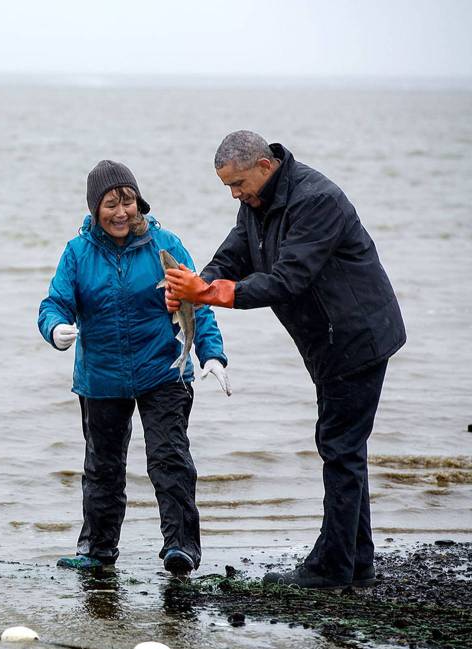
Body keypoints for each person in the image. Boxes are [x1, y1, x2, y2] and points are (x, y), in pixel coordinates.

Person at [164, 131, 405, 590]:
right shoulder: (257, 202)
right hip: (328, 340)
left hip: (357, 336)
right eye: (228, 188)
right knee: (345, 447)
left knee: (339, 447)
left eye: (238, 184)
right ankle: (357, 560)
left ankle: (333, 566)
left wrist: (210, 293)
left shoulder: (317, 200)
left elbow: (287, 279)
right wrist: (197, 286)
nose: (236, 194)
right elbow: (234, 254)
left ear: (264, 165)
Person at [38, 160, 230, 576]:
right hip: (101, 377)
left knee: (169, 458)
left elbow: (197, 302)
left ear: (139, 203)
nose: (120, 212)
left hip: (163, 369)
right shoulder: (77, 253)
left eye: (127, 201)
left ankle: (181, 547)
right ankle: (97, 550)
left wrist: (211, 354)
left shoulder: (165, 245)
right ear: (95, 210)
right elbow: (54, 303)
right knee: (102, 468)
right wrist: (55, 329)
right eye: (110, 203)